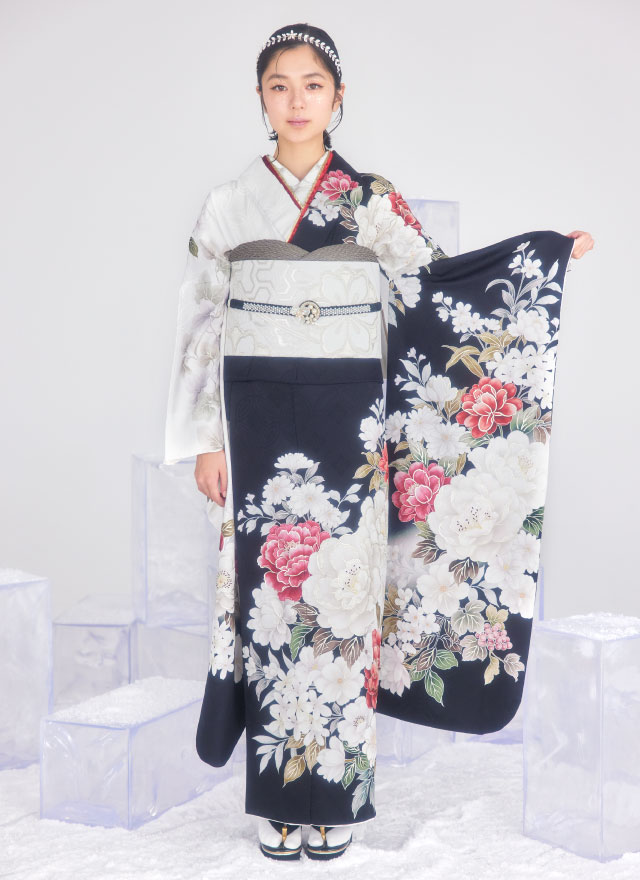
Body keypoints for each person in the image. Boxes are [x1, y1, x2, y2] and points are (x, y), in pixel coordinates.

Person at [163, 22, 594, 861]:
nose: (296, 101)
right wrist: (204, 441)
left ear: (338, 97)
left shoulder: (368, 200)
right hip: (254, 417)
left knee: (343, 601)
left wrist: (540, 260)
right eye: (280, 85)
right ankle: (275, 799)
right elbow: (200, 324)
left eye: (312, 85)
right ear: (260, 99)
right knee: (269, 600)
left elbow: (434, 288)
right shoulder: (228, 204)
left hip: (351, 427)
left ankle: (337, 799)